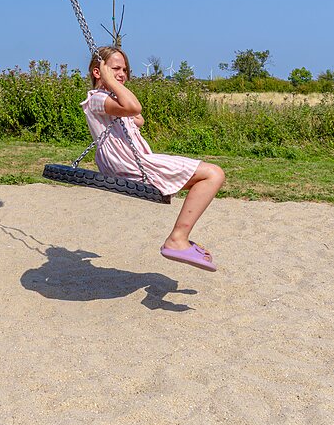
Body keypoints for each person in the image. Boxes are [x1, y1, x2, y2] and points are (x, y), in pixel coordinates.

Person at [82, 46, 226, 271]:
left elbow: (137, 117)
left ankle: (181, 238)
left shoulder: (110, 100)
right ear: (98, 72)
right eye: (115, 69)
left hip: (132, 161)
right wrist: (112, 84)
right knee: (213, 174)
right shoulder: (98, 99)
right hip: (130, 163)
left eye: (125, 70)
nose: (122, 74)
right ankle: (177, 239)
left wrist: (117, 90)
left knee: (203, 180)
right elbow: (135, 108)